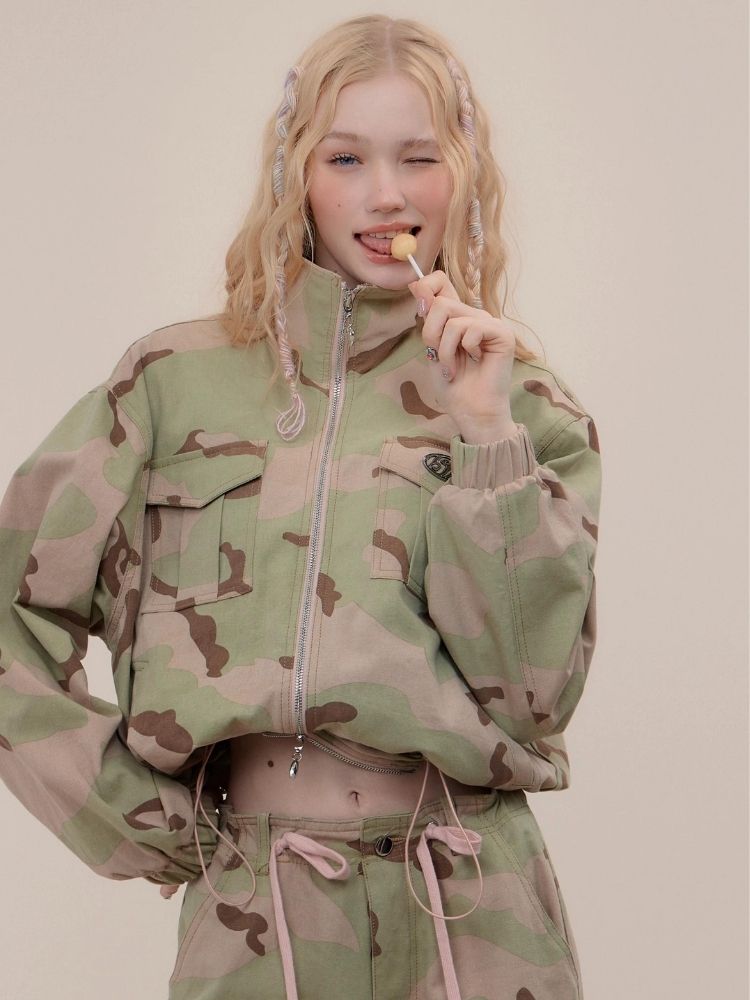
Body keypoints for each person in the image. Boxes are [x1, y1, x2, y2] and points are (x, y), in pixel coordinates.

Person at [0, 14, 601, 1000]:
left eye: (418, 157)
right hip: (260, 912)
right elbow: (10, 610)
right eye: (346, 157)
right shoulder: (169, 384)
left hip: (477, 913)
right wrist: (133, 817)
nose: (386, 192)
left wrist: (487, 434)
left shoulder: (527, 407)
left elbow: (535, 696)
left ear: (463, 174)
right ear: (297, 174)